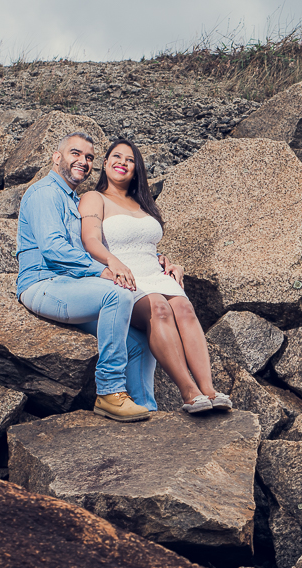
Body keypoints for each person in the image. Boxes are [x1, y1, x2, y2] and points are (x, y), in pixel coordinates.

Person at [78, 138, 231, 415]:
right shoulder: (94, 198)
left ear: (136, 170)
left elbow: (145, 244)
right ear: (104, 163)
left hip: (153, 273)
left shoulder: (142, 203)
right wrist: (115, 262)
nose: (122, 163)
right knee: (159, 308)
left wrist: (168, 261)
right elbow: (90, 241)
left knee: (184, 307)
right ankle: (189, 391)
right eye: (116, 156)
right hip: (121, 276)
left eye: (130, 160)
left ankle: (209, 389)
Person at [16, 131, 157, 422]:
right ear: (57, 158)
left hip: (72, 286)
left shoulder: (72, 199)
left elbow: (101, 244)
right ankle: (109, 391)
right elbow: (54, 248)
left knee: (140, 341)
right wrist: (102, 271)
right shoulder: (45, 193)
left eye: (89, 157)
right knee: (117, 294)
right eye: (75, 154)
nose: (83, 161)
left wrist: (159, 259)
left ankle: (147, 408)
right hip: (43, 284)